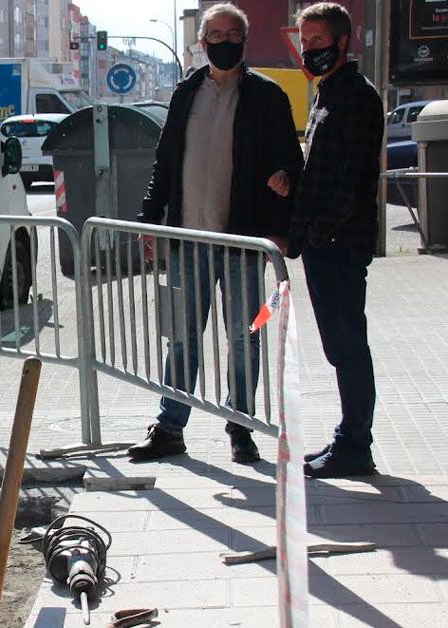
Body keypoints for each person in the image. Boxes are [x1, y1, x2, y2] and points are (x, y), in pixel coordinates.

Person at [129, 2, 303, 464]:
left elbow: (291, 160)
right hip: (189, 242)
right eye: (216, 36)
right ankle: (169, 428)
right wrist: (150, 221)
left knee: (245, 337)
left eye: (233, 36)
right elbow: (164, 163)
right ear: (201, 43)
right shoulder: (186, 92)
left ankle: (241, 427)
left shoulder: (267, 96)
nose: (224, 43)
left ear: (244, 41)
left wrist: (282, 205)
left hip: (242, 245)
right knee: (182, 337)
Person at [290, 2, 384, 478]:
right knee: (339, 344)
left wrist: (320, 232)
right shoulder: (328, 92)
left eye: (319, 41)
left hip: (340, 243)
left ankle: (355, 445)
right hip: (324, 242)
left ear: (343, 42)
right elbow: (323, 171)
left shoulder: (356, 95)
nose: (311, 50)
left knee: (347, 343)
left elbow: (348, 179)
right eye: (306, 42)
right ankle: (349, 437)